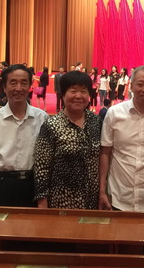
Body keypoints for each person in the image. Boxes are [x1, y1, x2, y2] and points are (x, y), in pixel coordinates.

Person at [0, 65, 48, 207]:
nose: (18, 88)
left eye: (23, 83)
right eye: (13, 83)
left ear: (30, 87)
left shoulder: (42, 118)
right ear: (4, 87)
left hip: (32, 185)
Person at [99, 65, 144, 212]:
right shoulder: (114, 113)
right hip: (119, 197)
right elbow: (105, 153)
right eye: (140, 84)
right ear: (131, 86)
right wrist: (101, 190)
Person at [33, 71, 102, 209]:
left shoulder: (96, 122)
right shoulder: (51, 125)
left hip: (92, 200)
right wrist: (42, 203)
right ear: (63, 94)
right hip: (61, 201)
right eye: (73, 91)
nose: (78, 96)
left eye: (83, 91)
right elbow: (41, 169)